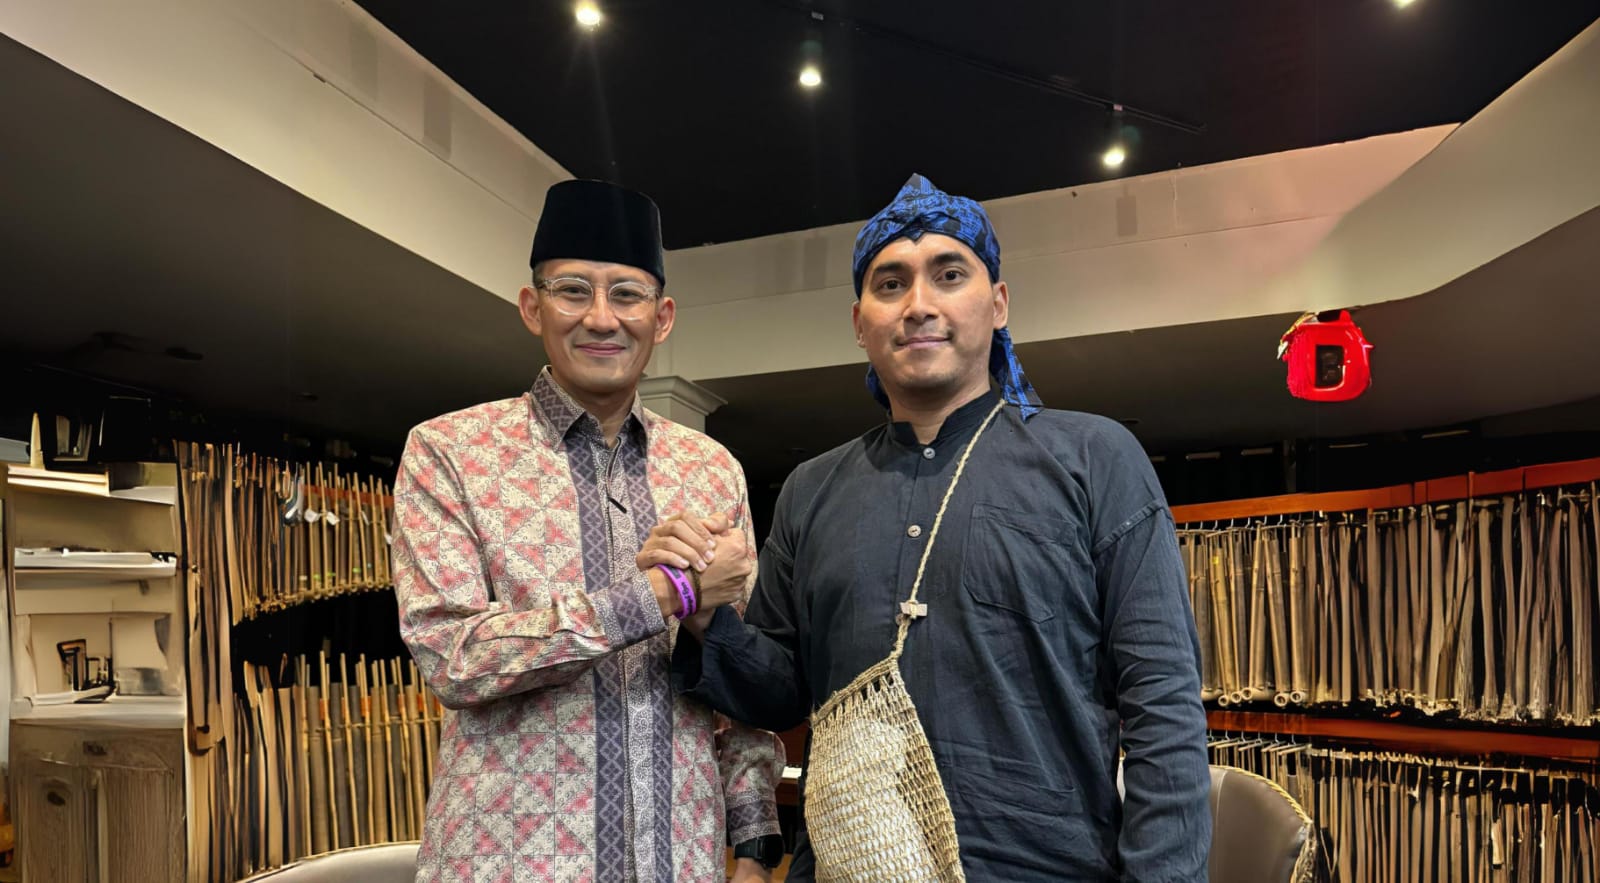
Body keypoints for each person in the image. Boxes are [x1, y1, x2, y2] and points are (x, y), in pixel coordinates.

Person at [660, 174, 1211, 880]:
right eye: (890, 283)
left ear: (998, 303)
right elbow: (781, 692)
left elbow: (1163, 706)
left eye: (949, 275)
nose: (919, 304)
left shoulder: (1094, 459)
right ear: (859, 322)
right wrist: (705, 616)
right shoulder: (812, 490)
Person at [393, 179, 784, 883]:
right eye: (573, 290)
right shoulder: (450, 452)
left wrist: (754, 847)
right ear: (531, 306)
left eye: (627, 294)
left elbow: (736, 675)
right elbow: (454, 656)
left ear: (662, 317)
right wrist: (661, 595)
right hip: (509, 863)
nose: (602, 318)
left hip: (681, 860)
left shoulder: (711, 469)